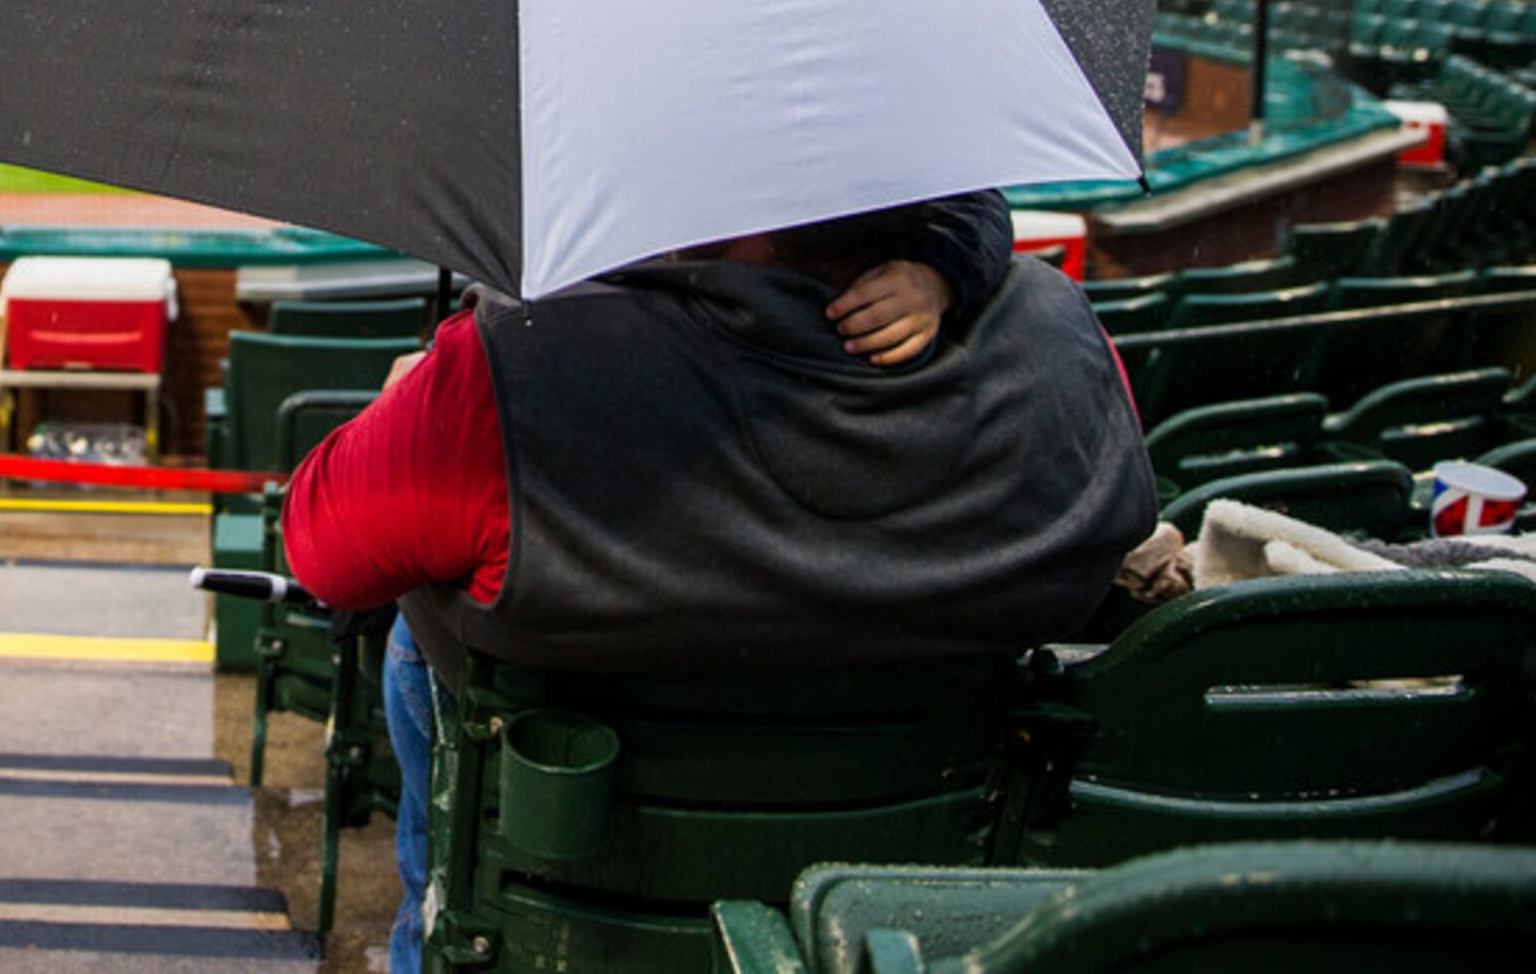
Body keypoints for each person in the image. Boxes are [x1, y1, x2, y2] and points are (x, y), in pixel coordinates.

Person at [282, 193, 1154, 974]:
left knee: (412, 639)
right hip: (909, 899)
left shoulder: (515, 368)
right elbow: (1120, 525)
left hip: (567, 863)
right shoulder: (1057, 331)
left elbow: (322, 557)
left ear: (751, 222)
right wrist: (952, 261)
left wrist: (419, 393)